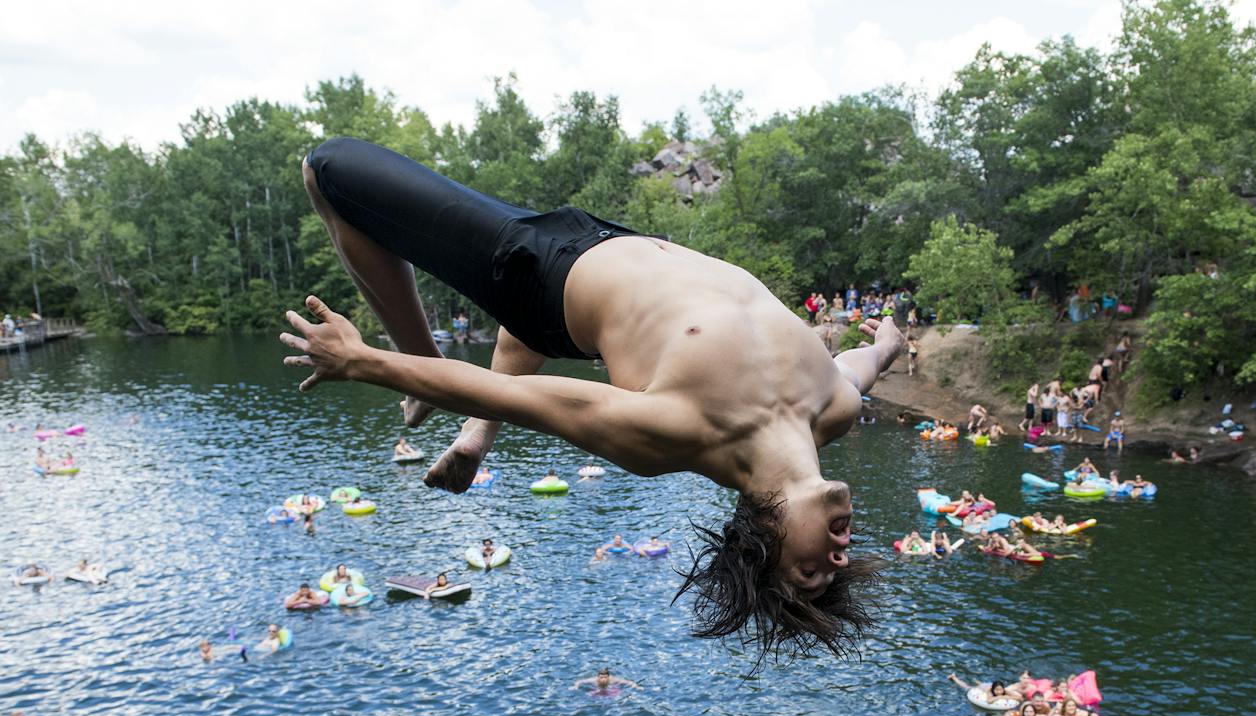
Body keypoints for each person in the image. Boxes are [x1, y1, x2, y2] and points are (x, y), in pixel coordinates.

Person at [285, 140, 899, 664]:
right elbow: (860, 365)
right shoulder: (836, 406)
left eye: (813, 573)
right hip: (612, 238)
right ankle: (471, 433)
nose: (839, 557)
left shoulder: (674, 434)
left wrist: (364, 361)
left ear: (761, 542)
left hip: (540, 274)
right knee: (514, 347)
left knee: (329, 170)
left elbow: (515, 394)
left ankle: (431, 382)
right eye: (836, 570)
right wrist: (891, 346)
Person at [573, 667, 642, 697]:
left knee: (618, 696)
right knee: (588, 695)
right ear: (598, 677)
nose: (603, 679)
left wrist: (636, 687)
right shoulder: (593, 680)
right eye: (601, 677)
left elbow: (629, 682)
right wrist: (575, 686)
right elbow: (579, 681)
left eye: (605, 677)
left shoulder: (614, 680)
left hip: (611, 689)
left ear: (608, 677)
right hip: (598, 690)